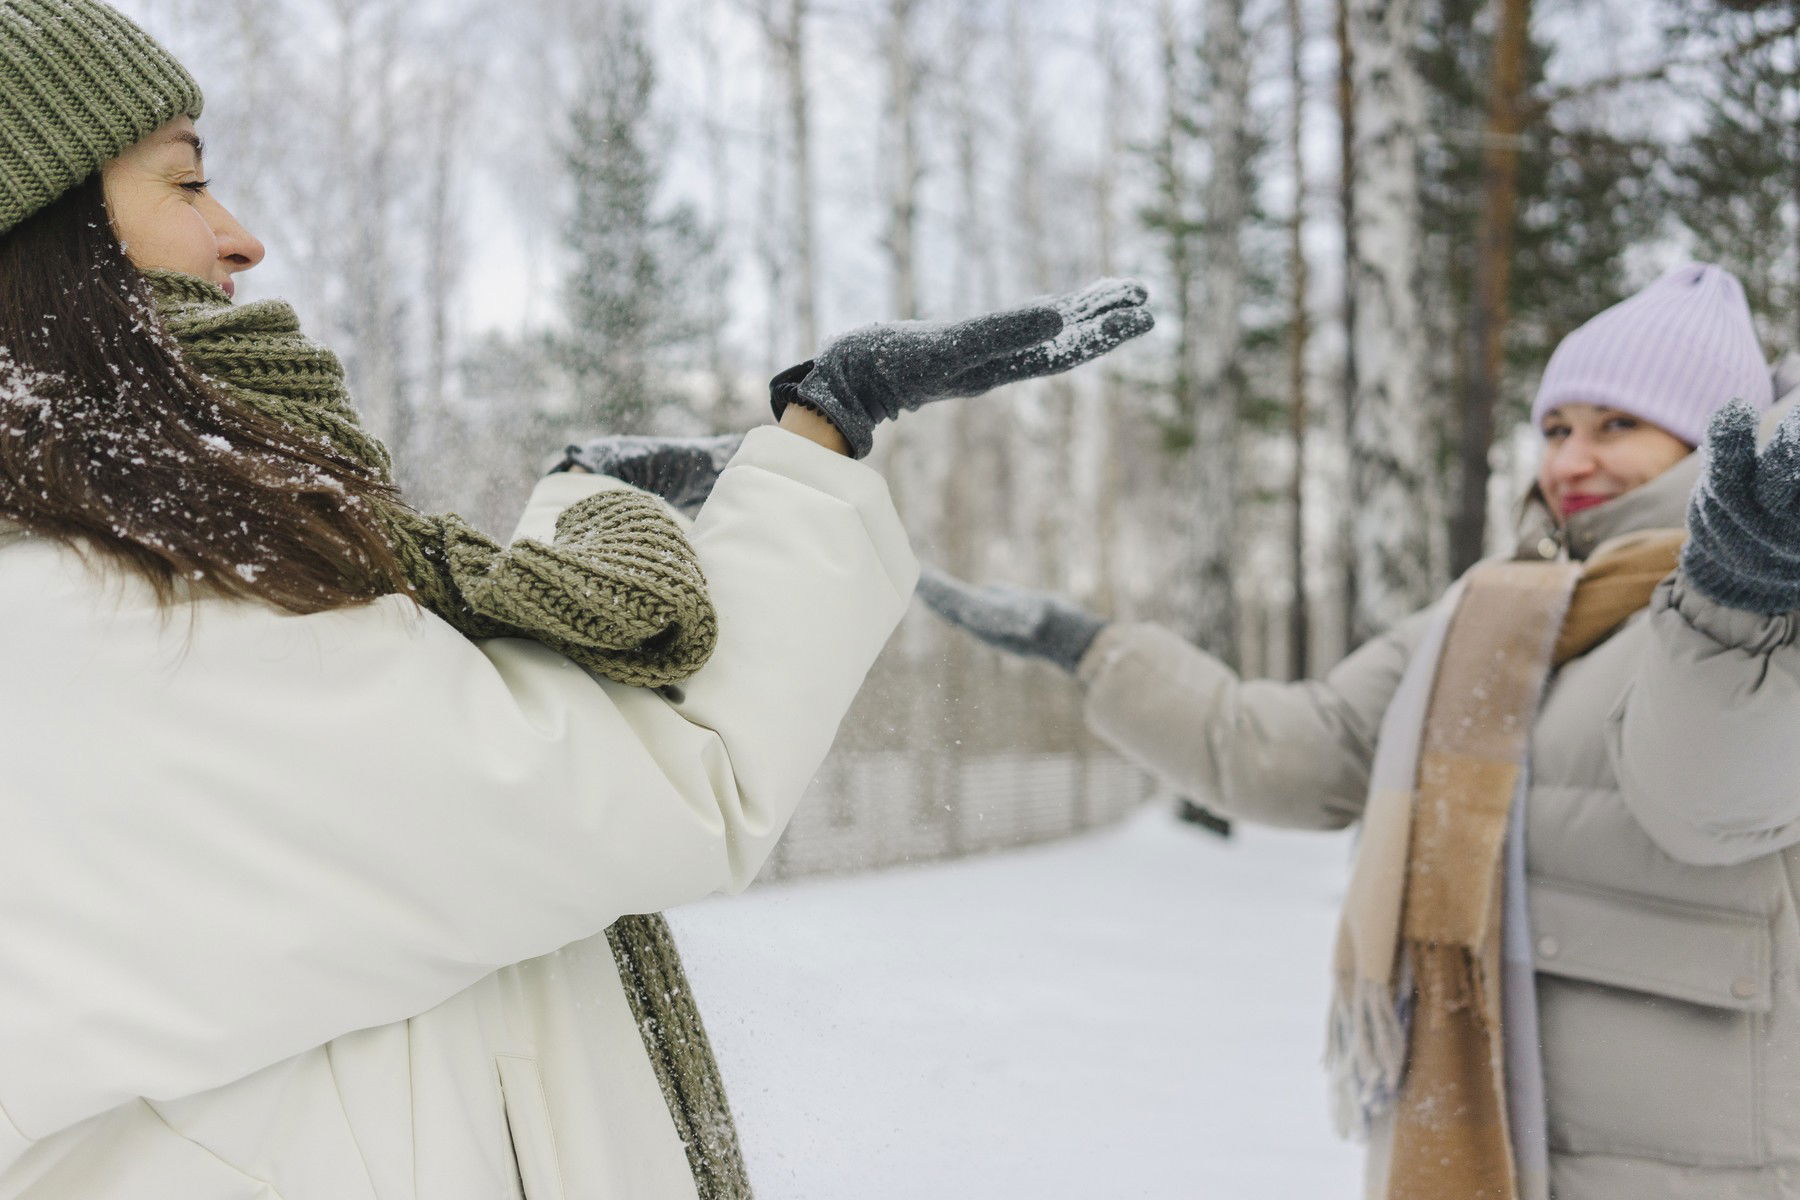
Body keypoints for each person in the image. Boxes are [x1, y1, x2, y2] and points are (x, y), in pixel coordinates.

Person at [0, 2, 1152, 1196]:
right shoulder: (101, 620)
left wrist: (582, 501)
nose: (241, 239)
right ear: (37, 243)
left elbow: (452, 751)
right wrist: (823, 434)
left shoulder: (110, 580)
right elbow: (650, 777)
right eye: (186, 183)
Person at [921, 264, 1800, 1199]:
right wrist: (1091, 648)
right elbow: (1294, 752)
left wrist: (1734, 598)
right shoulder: (1490, 612)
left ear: (1715, 440)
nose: (1570, 462)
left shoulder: (1771, 602)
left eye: (1617, 426)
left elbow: (1708, 801)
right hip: (1488, 1144)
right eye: (1556, 429)